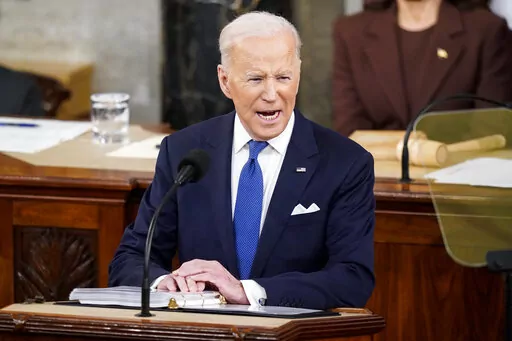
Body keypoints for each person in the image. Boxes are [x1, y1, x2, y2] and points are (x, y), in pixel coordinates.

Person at [108, 11, 376, 310]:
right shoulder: (184, 151)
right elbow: (130, 259)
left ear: (298, 76)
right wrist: (163, 285)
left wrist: (247, 291)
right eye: (256, 79)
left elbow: (353, 279)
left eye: (283, 77)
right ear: (225, 81)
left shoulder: (345, 163)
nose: (272, 94)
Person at [332, 0, 512, 137]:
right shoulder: (350, 33)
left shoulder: (487, 30)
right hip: (375, 177)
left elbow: (491, 134)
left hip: (457, 177)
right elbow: (350, 131)